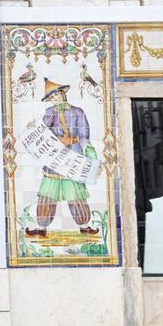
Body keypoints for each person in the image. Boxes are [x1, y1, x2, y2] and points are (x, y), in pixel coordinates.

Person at [26, 78, 99, 237]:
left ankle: (84, 225)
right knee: (47, 193)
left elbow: (84, 135)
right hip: (55, 156)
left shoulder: (78, 112)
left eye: (56, 96)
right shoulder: (49, 112)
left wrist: (90, 152)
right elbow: (43, 131)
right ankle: (42, 228)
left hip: (73, 154)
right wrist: (33, 128)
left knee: (75, 192)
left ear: (63, 94)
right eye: (51, 98)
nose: (55, 100)